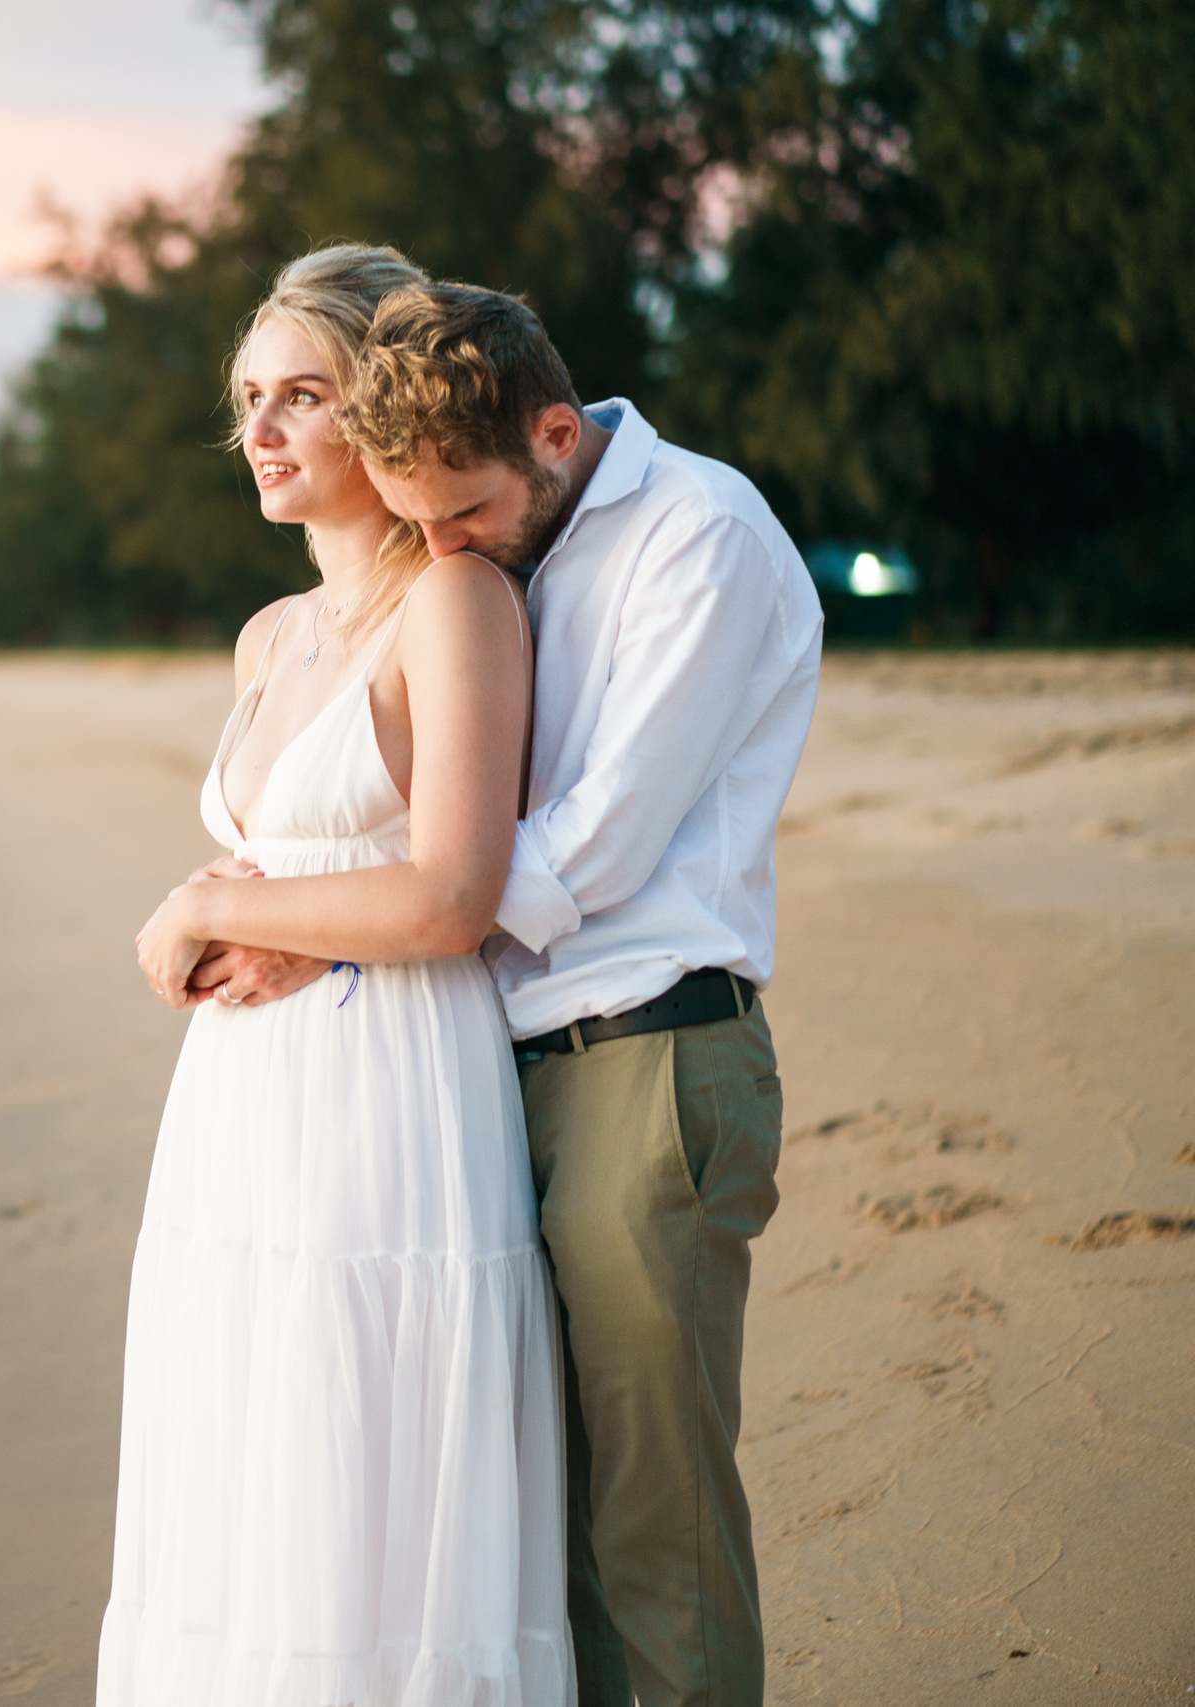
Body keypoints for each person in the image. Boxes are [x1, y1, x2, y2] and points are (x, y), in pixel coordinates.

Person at [237, 281, 821, 1707]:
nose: (444, 554)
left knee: (654, 1522)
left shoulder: (703, 537)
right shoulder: (515, 521)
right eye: (419, 525)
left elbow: (594, 845)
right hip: (501, 1070)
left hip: (649, 1057)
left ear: (556, 435)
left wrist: (348, 926)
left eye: (463, 520)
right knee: (538, 1524)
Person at [102, 244, 573, 1707]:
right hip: (241, 1110)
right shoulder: (269, 635)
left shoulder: (454, 605)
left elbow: (452, 894)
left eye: (303, 395)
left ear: (381, 411)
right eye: (250, 399)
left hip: (388, 1094)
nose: (263, 431)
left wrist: (220, 903)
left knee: (364, 1444)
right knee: (250, 1455)